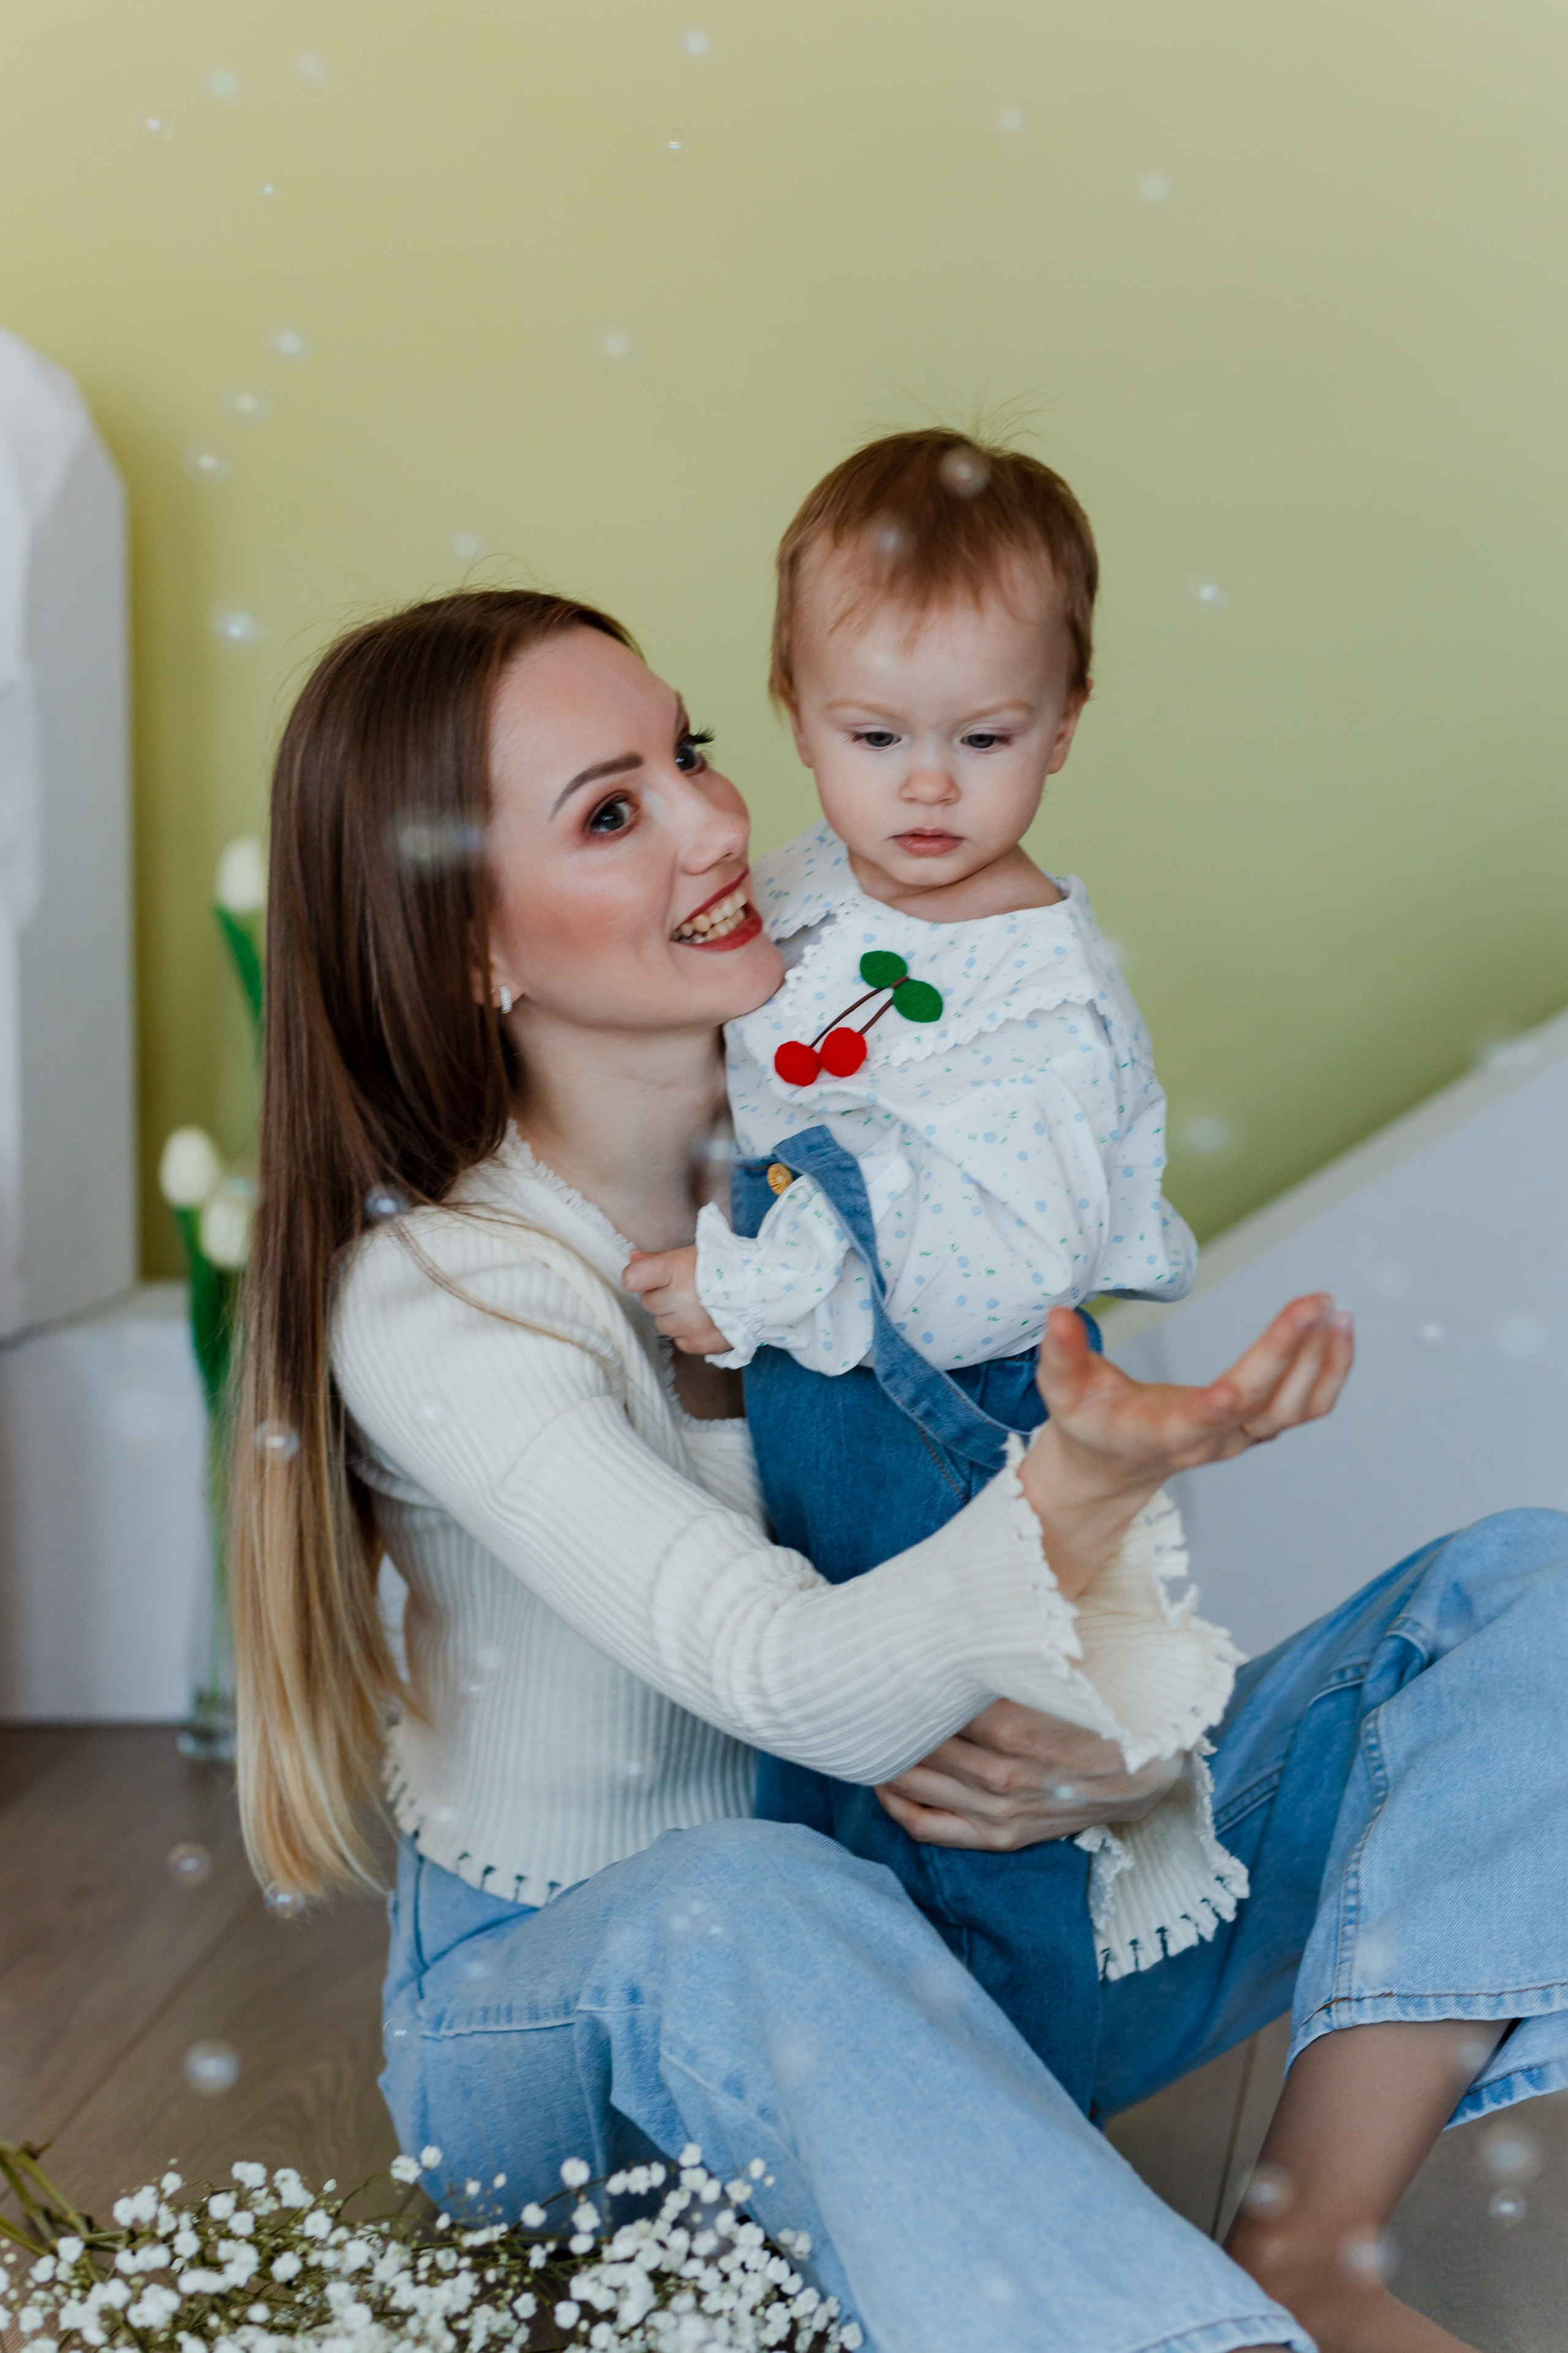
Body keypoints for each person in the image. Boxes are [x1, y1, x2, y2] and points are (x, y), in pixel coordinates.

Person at [233, 584, 1568, 2353]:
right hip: (580, 2054)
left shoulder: (860, 1149)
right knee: (751, 1893)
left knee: (1525, 1595)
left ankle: (1307, 2247)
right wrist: (1074, 1493)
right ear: (470, 943)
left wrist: (1113, 1774)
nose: (719, 819)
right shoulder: (440, 1299)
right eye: (613, 810)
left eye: (691, 748)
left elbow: (1013, 1670)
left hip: (943, 1938)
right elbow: (799, 1681)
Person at [622, 430, 1222, 2109]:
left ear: (1068, 722)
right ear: (795, 707)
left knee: (972, 1788)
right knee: (814, 1795)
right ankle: (825, 2123)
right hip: (818, 1454)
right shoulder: (803, 889)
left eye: (986, 738)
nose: (928, 789)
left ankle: (1024, 2134)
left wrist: (748, 1287)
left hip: (961, 1424)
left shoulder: (1041, 994)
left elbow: (984, 1273)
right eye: (873, 737)